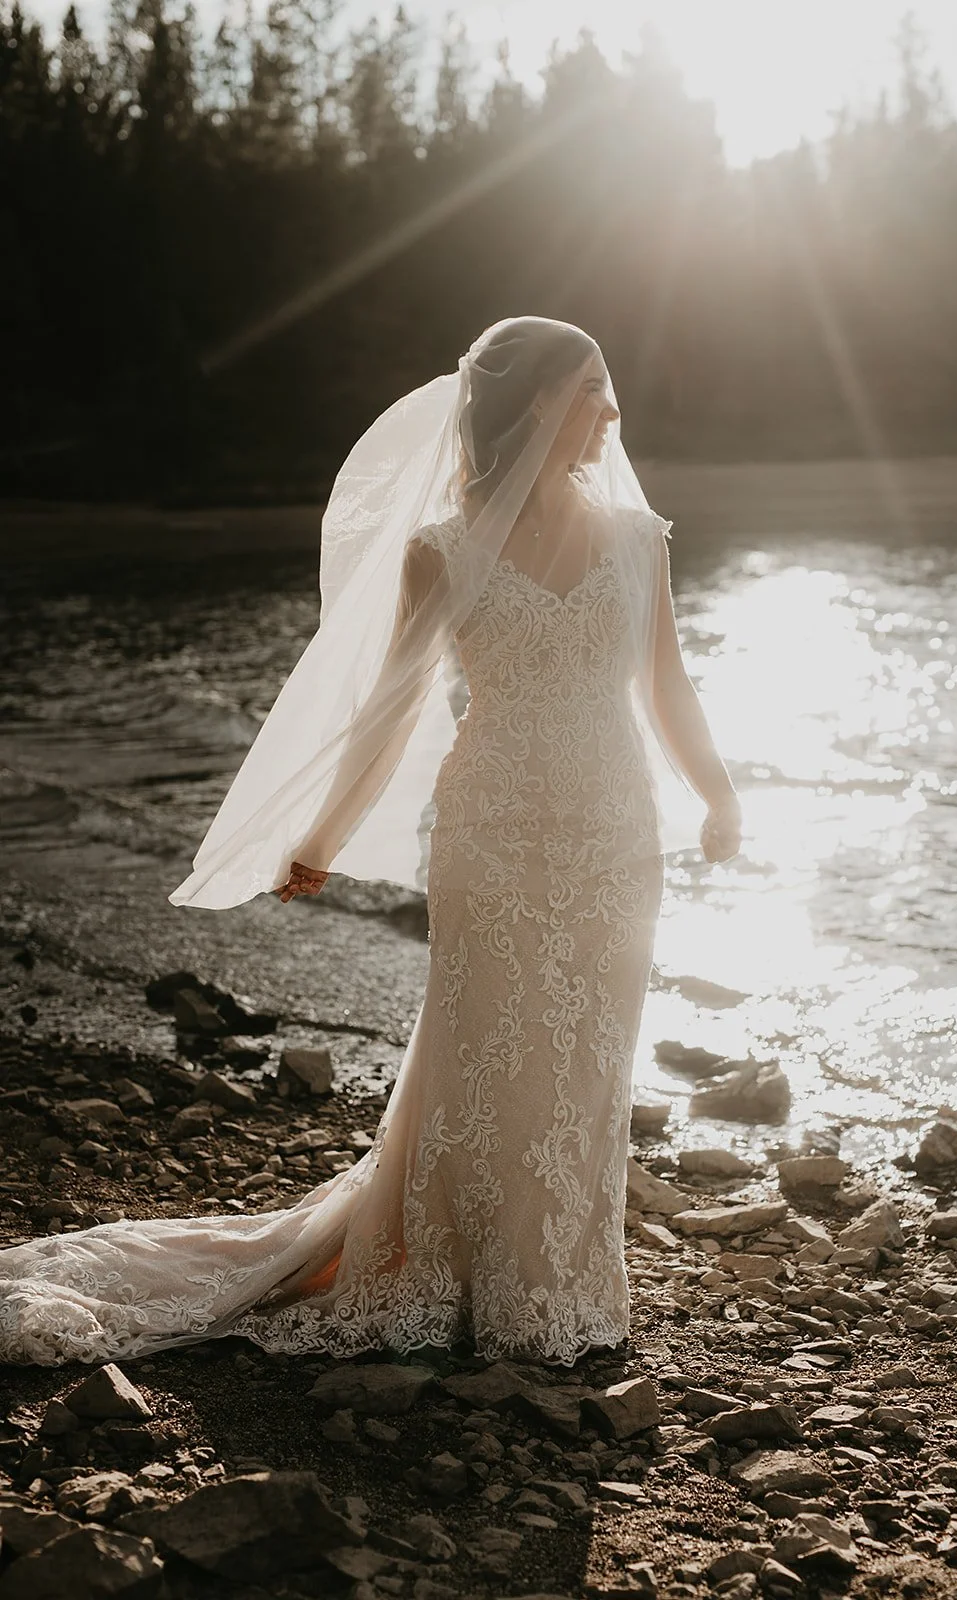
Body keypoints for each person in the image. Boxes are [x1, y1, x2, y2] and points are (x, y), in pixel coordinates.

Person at [0, 316, 740, 1368]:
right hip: (491, 827)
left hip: (618, 834)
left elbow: (667, 683)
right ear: (537, 402)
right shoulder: (443, 549)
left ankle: (559, 1280)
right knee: (486, 1048)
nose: (611, 412)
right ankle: (455, 1266)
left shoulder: (639, 538)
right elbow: (389, 714)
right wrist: (321, 836)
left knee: (585, 1057)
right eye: (592, 388)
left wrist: (718, 797)